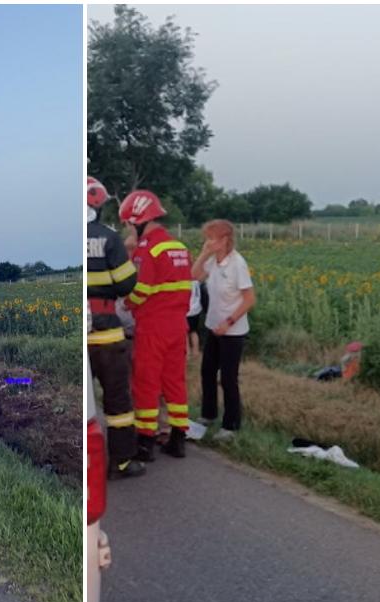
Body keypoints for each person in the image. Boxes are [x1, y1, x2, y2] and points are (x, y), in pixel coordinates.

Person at [120, 189, 193, 460]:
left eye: (129, 223)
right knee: (174, 382)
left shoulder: (147, 250)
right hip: (178, 326)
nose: (128, 228)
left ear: (139, 220)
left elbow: (140, 291)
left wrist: (126, 304)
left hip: (152, 327)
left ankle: (145, 443)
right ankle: (178, 438)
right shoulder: (180, 248)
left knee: (146, 383)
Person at [86, 176, 144, 479]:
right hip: (106, 331)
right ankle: (122, 461)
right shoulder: (108, 238)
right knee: (118, 399)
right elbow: (126, 285)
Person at [191, 219, 255, 440]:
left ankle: (231, 424)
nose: (208, 242)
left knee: (228, 377)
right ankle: (208, 414)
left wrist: (229, 322)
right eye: (206, 238)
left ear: (225, 240)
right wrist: (203, 254)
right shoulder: (213, 261)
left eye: (211, 239)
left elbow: (249, 299)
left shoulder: (237, 264)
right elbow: (194, 275)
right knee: (207, 371)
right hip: (213, 327)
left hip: (232, 331)